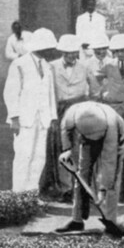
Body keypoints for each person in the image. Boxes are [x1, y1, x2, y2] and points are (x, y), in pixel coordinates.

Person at [54, 101, 124, 234]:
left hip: (116, 142)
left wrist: (102, 190)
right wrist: (67, 149)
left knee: (112, 183)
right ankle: (76, 220)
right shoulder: (72, 114)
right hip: (87, 141)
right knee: (81, 176)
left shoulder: (111, 125)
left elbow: (109, 163)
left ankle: (111, 221)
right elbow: (65, 129)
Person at [3, 27, 58, 193]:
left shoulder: (47, 67)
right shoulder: (19, 64)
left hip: (43, 119)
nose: (50, 51)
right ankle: (18, 193)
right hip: (24, 119)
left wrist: (53, 117)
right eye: (48, 47)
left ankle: (32, 192)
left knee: (39, 156)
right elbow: (11, 92)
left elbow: (50, 93)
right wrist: (14, 117)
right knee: (23, 155)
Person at [42, 34, 91, 200]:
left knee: (81, 148)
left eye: (73, 52)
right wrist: (52, 114)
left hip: (79, 111)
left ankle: (81, 187)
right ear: (62, 52)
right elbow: (46, 90)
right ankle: (65, 188)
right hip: (60, 111)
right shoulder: (51, 67)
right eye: (67, 52)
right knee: (63, 149)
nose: (71, 56)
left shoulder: (85, 67)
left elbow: (95, 89)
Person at [99, 33, 124, 203]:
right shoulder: (108, 65)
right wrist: (103, 93)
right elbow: (95, 80)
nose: (120, 54)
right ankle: (112, 192)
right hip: (113, 112)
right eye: (116, 51)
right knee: (111, 151)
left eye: (123, 50)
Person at [83, 32, 112, 100]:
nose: (101, 52)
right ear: (93, 49)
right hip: (92, 100)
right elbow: (85, 86)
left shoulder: (113, 63)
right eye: (98, 49)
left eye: (103, 48)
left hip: (110, 100)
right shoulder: (86, 65)